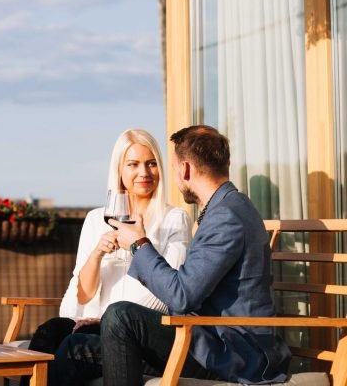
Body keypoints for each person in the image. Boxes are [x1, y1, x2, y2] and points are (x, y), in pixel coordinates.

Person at [51, 124, 291, 386]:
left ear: (185, 168)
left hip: (231, 354)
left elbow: (181, 296)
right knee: (75, 343)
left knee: (119, 318)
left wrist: (139, 244)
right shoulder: (226, 209)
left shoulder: (226, 217)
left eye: (172, 167)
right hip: (213, 342)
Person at [33, 128, 192, 385]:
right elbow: (82, 294)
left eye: (151, 164)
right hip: (95, 321)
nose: (144, 172)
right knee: (47, 333)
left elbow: (166, 290)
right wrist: (97, 254)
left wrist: (106, 320)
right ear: (119, 169)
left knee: (72, 346)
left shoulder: (174, 219)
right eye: (134, 164)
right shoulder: (97, 219)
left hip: (132, 330)